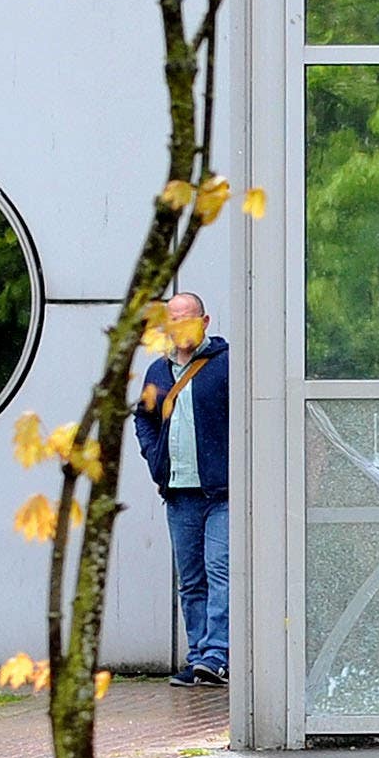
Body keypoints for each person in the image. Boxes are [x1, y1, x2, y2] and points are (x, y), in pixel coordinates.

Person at [134, 292, 232, 688]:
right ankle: (198, 656)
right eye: (175, 321)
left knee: (220, 570)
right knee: (190, 579)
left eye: (189, 320)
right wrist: (153, 457)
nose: (182, 329)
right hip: (179, 492)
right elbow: (143, 418)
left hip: (221, 491)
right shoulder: (158, 373)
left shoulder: (225, 366)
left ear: (205, 322)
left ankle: (217, 655)